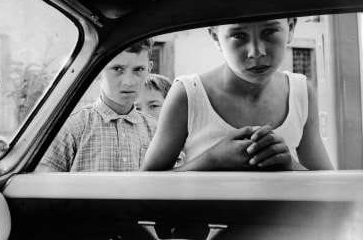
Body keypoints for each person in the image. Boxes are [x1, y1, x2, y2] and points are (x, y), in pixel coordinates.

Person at [142, 18, 333, 171]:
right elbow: (147, 183)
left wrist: (290, 165)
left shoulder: (300, 93)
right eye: (239, 35)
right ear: (215, 37)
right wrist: (211, 160)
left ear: (290, 27)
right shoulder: (188, 94)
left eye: (269, 32)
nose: (256, 52)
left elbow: (329, 188)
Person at [36, 39, 157, 172]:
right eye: (117, 69)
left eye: (139, 69)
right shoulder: (72, 128)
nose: (128, 82)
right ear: (98, 71)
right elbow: (46, 187)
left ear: (149, 69)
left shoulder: (156, 131)